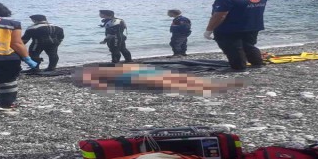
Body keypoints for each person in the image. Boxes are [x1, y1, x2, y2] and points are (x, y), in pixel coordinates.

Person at [74, 63, 248, 97]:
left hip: (136, 74)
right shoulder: (97, 71)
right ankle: (210, 87)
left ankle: (210, 87)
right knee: (172, 80)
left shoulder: (91, 73)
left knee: (172, 80)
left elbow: (97, 83)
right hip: (137, 73)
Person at [204, 0, 267, 71]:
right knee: (249, 46)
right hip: (253, 27)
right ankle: (257, 63)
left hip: (229, 29)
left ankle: (239, 67)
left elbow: (219, 16)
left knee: (233, 49)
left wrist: (209, 30)